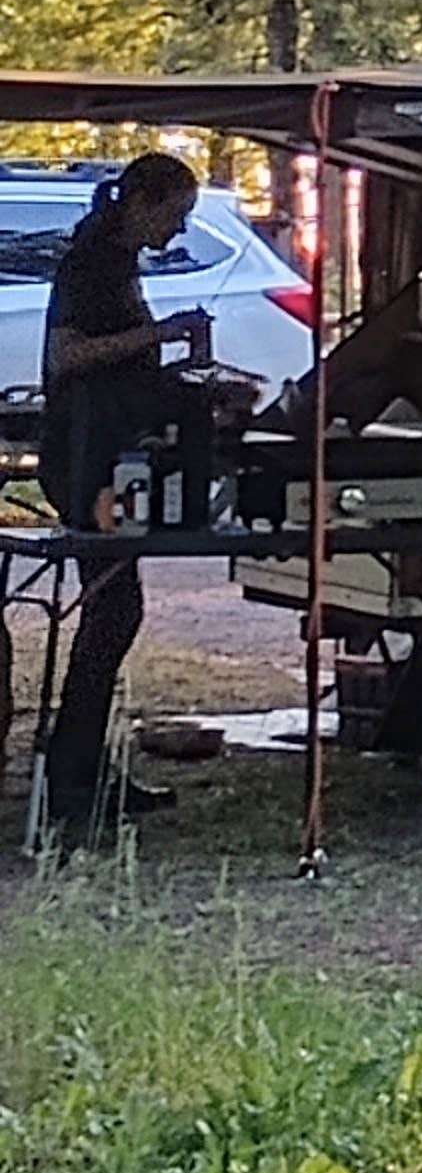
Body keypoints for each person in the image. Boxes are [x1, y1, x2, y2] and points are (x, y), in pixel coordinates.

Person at [34, 153, 208, 834]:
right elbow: (67, 356)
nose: (177, 231)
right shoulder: (92, 263)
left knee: (116, 610)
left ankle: (87, 768)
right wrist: (159, 334)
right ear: (142, 202)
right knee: (110, 610)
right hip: (85, 461)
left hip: (109, 452)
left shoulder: (119, 261)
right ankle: (73, 780)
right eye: (175, 215)